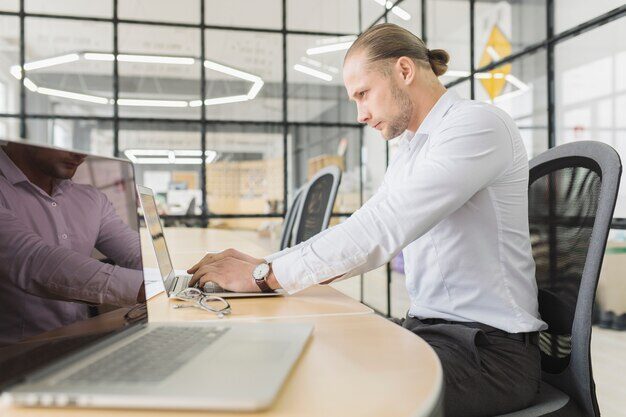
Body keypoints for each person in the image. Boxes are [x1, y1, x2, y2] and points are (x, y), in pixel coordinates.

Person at [187, 23, 547, 416]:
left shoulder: (476, 125)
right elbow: (365, 223)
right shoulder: (412, 150)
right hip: (432, 333)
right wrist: (266, 267)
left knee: (328, 387)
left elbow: (382, 230)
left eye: (363, 94)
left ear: (404, 71)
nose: (360, 114)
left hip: (490, 355)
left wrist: (263, 276)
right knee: (302, 353)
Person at [0, 142, 144, 345]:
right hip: (12, 360)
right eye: (64, 140)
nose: (80, 153)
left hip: (75, 347)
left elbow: (134, 251)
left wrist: (184, 277)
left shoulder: (90, 198)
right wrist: (143, 287)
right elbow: (34, 261)